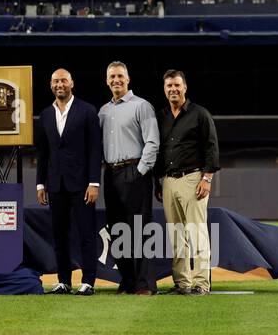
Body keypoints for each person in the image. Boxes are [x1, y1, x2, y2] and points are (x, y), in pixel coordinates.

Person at [35, 68, 103, 295]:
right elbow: (43, 153)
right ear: (50, 84)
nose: (59, 84)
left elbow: (95, 150)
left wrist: (94, 182)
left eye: (63, 80)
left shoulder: (87, 111)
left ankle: (89, 281)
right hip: (55, 185)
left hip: (82, 185)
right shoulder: (45, 114)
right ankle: (64, 280)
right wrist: (40, 184)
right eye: (55, 81)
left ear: (71, 83)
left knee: (86, 234)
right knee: (59, 235)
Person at [156, 70, 220, 296]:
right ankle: (182, 283)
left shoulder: (199, 114)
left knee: (197, 232)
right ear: (164, 90)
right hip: (169, 180)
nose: (173, 89)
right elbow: (160, 151)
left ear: (185, 87)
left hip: (193, 179)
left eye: (176, 85)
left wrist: (207, 178)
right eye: (169, 86)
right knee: (176, 235)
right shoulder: (161, 116)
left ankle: (201, 283)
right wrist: (158, 182)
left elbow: (211, 146)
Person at [98, 61, 160, 296]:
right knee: (117, 230)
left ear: (128, 78)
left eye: (120, 76)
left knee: (140, 229)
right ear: (106, 80)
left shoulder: (142, 106)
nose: (116, 80)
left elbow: (152, 142)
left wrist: (141, 171)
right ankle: (128, 281)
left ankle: (145, 284)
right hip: (111, 173)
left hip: (134, 171)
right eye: (112, 76)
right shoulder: (103, 111)